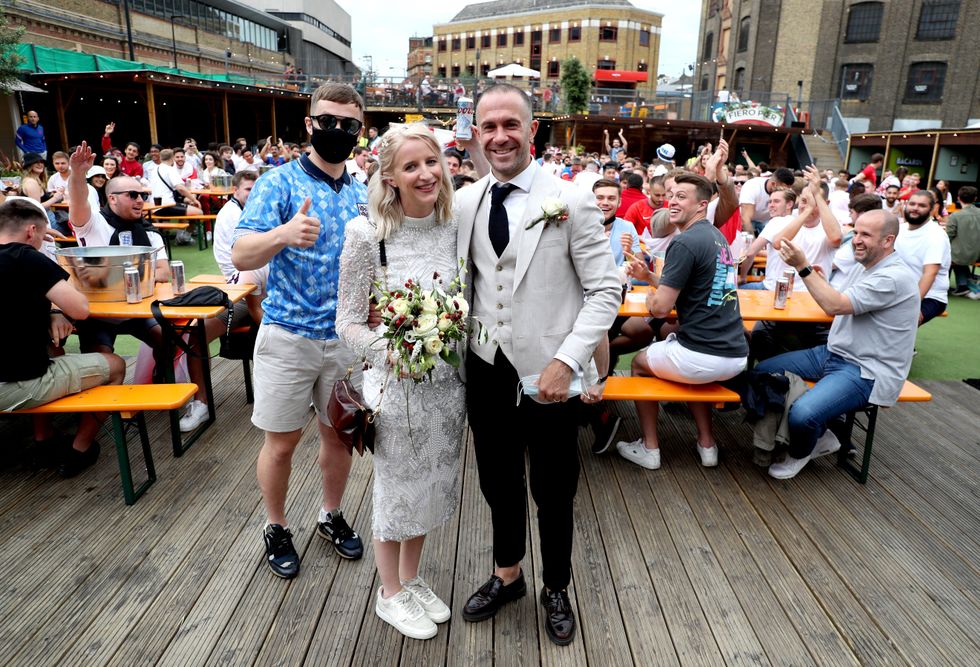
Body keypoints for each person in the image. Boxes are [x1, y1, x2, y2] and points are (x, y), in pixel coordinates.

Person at [454, 83, 620, 646]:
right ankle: (509, 575)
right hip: (485, 367)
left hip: (550, 373)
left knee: (554, 488)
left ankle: (556, 586)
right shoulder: (466, 200)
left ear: (532, 129)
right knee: (497, 481)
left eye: (511, 124)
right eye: (489, 126)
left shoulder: (570, 199)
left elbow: (605, 291)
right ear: (476, 133)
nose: (500, 136)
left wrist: (566, 362)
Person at [231, 82, 368, 580]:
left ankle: (330, 515)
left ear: (359, 131)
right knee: (282, 442)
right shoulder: (279, 183)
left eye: (348, 125)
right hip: (289, 334)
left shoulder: (361, 192)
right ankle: (275, 525)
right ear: (309, 123)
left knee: (339, 437)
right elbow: (242, 255)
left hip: (344, 340)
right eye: (327, 121)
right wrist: (283, 234)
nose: (337, 131)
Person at [336, 124, 463, 640]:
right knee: (396, 490)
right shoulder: (366, 234)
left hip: (449, 388)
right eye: (411, 166)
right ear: (389, 176)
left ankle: (412, 577)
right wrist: (396, 352)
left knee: (433, 485)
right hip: (395, 388)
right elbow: (347, 323)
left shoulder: (453, 226)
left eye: (431, 162)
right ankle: (389, 593)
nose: (425, 174)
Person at [757, 210, 919, 479]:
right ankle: (822, 428)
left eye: (866, 234)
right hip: (834, 353)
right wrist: (820, 279)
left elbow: (835, 305)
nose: (856, 239)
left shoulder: (893, 277)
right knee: (762, 371)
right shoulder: (866, 265)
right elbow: (841, 300)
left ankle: (805, 447)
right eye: (855, 232)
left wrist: (803, 266)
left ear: (888, 240)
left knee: (803, 414)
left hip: (865, 369)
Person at [66, 143, 214, 433]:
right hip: (98, 316)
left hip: (137, 312)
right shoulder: (94, 224)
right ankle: (88, 434)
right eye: (132, 195)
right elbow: (79, 201)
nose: (140, 200)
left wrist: (121, 277)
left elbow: (163, 271)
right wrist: (76, 175)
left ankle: (163, 385)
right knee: (102, 363)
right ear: (111, 198)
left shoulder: (149, 232)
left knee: (174, 339)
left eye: (143, 195)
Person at [616, 173, 748, 471]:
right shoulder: (715, 237)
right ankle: (707, 444)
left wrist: (650, 298)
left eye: (681, 197)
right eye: (671, 195)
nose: (671, 201)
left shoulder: (685, 242)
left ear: (702, 205)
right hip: (735, 353)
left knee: (639, 362)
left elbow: (661, 309)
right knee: (688, 366)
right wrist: (650, 277)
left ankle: (649, 448)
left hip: (703, 356)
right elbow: (691, 285)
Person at [0, 199, 127, 477]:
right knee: (116, 365)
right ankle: (80, 448)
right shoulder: (25, 257)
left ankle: (43, 440)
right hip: (16, 387)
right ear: (32, 231)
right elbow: (80, 310)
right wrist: (46, 256)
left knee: (53, 350)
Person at [212, 171, 266, 324]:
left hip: (241, 270)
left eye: (256, 189)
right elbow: (252, 250)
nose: (253, 193)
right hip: (236, 275)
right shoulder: (233, 214)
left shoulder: (238, 208)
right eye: (248, 189)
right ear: (235, 190)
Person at [894, 190, 950, 325]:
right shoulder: (899, 229)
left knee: (900, 322)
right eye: (912, 204)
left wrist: (912, 305)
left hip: (930, 297)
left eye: (921, 205)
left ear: (931, 209)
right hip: (898, 292)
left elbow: (930, 273)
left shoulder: (935, 235)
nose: (915, 208)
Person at [739, 167, 796, 235]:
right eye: (783, 188)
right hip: (749, 220)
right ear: (773, 184)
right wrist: (752, 241)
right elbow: (745, 218)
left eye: (788, 189)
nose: (785, 191)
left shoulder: (785, 191)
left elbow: (785, 217)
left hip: (767, 221)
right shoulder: (752, 186)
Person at [947, 186, 980, 297]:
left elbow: (948, 236)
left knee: (947, 254)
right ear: (975, 198)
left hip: (960, 255)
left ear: (958, 198)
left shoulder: (955, 216)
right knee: (958, 254)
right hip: (977, 254)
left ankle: (947, 286)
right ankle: (963, 285)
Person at [151, 149, 203, 217]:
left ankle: (182, 227)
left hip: (154, 206)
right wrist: (194, 200)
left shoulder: (155, 170)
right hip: (167, 205)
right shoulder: (170, 169)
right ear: (172, 158)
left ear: (160, 158)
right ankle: (189, 228)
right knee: (199, 212)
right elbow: (180, 188)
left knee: (186, 208)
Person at [19, 153, 64, 217]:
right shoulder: (31, 182)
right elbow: (37, 207)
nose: (40, 164)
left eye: (41, 162)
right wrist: (55, 198)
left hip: (46, 216)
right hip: (42, 219)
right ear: (29, 166)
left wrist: (50, 194)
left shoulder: (36, 180)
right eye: (36, 162)